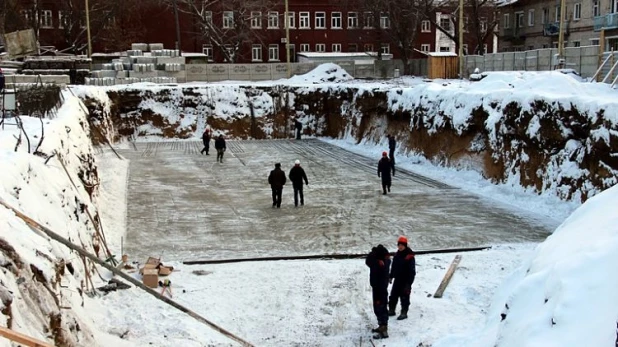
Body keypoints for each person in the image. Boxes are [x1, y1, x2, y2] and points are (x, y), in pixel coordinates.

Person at [366, 244, 391, 339]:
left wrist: (376, 258)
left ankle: (384, 328)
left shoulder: (381, 263)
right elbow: (368, 261)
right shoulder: (379, 261)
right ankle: (381, 326)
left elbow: (369, 261)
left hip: (380, 288)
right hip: (377, 287)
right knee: (377, 307)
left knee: (381, 307)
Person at [388, 236, 416, 320]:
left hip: (406, 280)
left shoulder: (409, 257)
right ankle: (391, 310)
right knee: (393, 295)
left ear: (405, 246)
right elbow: (394, 266)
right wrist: (391, 276)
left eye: (402, 245)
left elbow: (412, 271)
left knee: (404, 297)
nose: (400, 247)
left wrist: (409, 283)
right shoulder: (397, 255)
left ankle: (404, 312)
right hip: (397, 279)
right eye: (399, 245)